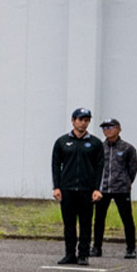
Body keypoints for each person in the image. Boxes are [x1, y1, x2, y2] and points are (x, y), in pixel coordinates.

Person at [51, 108, 105, 264]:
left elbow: (99, 167)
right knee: (69, 224)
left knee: (86, 223)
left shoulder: (94, 143)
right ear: (73, 120)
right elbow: (56, 165)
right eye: (80, 119)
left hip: (86, 190)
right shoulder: (62, 142)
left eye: (86, 120)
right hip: (67, 189)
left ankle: (83, 255)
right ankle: (69, 254)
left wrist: (97, 188)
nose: (83, 123)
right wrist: (56, 187)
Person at [92, 118, 134, 259]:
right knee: (99, 219)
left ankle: (131, 249)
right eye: (104, 128)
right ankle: (97, 248)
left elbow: (132, 168)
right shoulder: (99, 147)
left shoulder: (127, 148)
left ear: (118, 129)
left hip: (121, 189)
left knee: (127, 219)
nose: (107, 130)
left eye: (110, 127)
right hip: (102, 189)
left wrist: (126, 182)